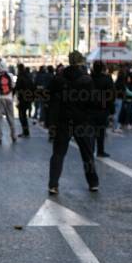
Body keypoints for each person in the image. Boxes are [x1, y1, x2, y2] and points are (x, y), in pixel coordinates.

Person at [48, 51, 100, 195]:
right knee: (87, 154)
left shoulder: (58, 78)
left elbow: (49, 98)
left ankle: (53, 184)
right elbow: (94, 101)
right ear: (81, 62)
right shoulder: (86, 80)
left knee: (58, 154)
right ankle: (93, 183)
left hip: (63, 121)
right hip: (82, 121)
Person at [91, 61, 115, 157]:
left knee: (91, 130)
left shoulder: (89, 78)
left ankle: (91, 149)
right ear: (102, 69)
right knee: (101, 130)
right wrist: (111, 109)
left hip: (90, 108)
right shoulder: (107, 79)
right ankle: (100, 151)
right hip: (102, 108)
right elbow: (112, 95)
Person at [0, 60, 17, 144]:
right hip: (9, 98)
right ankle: (14, 135)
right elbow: (13, 87)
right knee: (11, 118)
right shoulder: (11, 75)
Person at [15, 63, 35, 138]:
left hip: (23, 99)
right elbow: (33, 87)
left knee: (22, 115)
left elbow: (17, 87)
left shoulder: (20, 77)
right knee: (24, 115)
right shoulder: (28, 76)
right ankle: (25, 131)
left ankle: (25, 131)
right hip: (28, 98)